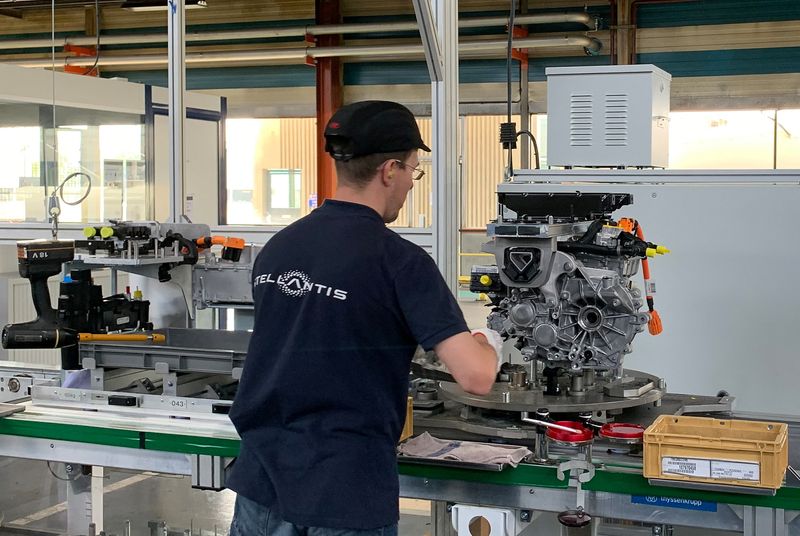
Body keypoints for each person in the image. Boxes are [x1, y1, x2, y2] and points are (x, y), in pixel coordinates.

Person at [227, 100, 501, 536]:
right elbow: (476, 377)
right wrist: (490, 340)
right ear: (389, 170)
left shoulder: (280, 247)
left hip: (260, 485)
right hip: (345, 492)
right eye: (413, 170)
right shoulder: (400, 262)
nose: (412, 183)